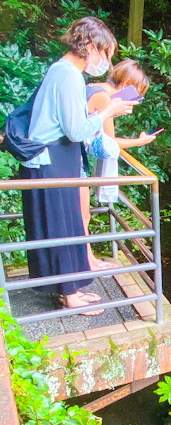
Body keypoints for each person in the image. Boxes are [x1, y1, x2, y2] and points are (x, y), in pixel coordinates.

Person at [20, 17, 136, 314]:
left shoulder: (63, 71)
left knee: (63, 223)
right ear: (89, 46)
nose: (108, 62)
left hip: (54, 158)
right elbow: (75, 131)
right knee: (60, 225)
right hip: (52, 158)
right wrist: (109, 109)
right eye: (107, 53)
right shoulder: (68, 74)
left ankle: (66, 291)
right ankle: (69, 295)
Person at [81, 59, 159, 271]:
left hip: (73, 155)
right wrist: (139, 141)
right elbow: (109, 141)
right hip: (73, 159)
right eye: (137, 95)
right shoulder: (104, 98)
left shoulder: (92, 87)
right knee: (82, 215)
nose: (136, 100)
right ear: (126, 84)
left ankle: (89, 259)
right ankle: (87, 262)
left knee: (83, 214)